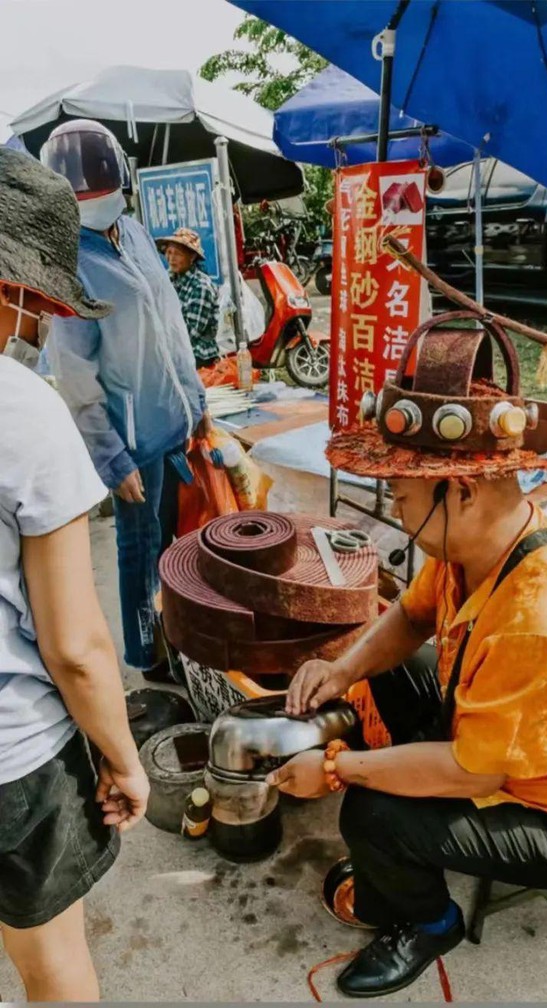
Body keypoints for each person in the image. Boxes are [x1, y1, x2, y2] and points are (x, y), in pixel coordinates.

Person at [267, 316, 547, 999]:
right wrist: (343, 668)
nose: (393, 506)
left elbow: (474, 772)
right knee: (386, 673)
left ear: (461, 492)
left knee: (367, 811)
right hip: (501, 753)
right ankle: (405, 820)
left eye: (401, 495)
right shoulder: (474, 547)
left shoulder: (541, 618)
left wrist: (333, 767)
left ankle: (428, 919)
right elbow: (412, 615)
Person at [0, 147, 149, 1001]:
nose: (36, 324)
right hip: (15, 757)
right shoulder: (23, 411)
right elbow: (78, 645)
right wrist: (123, 762)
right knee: (54, 965)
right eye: (35, 303)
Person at [41, 120, 213, 683]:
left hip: (171, 422)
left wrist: (195, 399)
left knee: (174, 544)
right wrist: (112, 460)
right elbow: (75, 376)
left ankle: (177, 632)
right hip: (131, 440)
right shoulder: (69, 265)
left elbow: (170, 325)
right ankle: (148, 657)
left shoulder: (135, 234)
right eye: (81, 200)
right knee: (139, 550)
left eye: (102, 194)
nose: (96, 206)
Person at [156, 227, 220, 369]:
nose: (171, 259)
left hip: (197, 356)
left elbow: (190, 334)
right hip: (173, 350)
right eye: (169, 252)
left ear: (192, 257)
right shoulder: (169, 278)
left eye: (177, 254)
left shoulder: (201, 287)